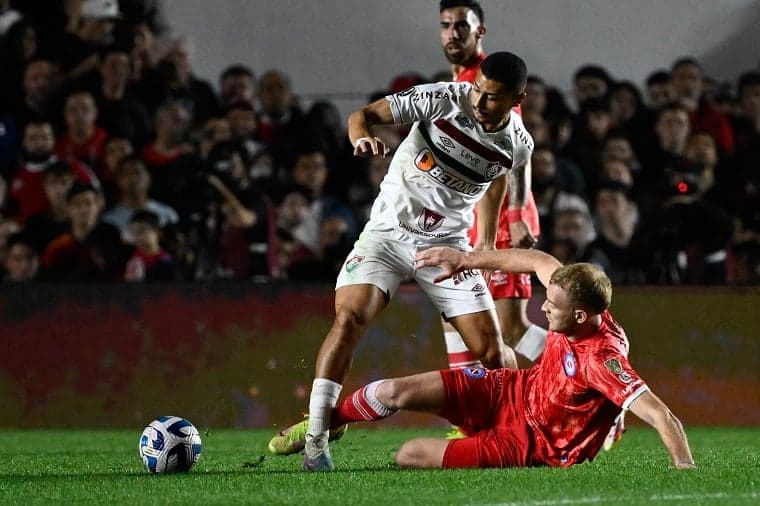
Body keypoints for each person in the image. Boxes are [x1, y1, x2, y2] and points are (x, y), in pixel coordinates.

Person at [271, 51, 533, 471]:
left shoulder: (517, 145)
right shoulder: (443, 99)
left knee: (494, 353)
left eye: (493, 98)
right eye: (479, 93)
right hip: (387, 236)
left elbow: (496, 177)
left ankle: (515, 433)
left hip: (445, 247)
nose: (481, 104)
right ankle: (317, 438)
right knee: (349, 318)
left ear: (518, 98)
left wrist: (483, 243)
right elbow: (365, 114)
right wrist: (360, 137)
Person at [273, 247, 696, 470]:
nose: (544, 309)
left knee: (407, 455)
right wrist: (465, 260)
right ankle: (325, 424)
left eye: (553, 305)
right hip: (511, 390)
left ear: (581, 316)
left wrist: (684, 468)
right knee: (391, 390)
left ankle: (472, 441)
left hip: (530, 443)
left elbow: (662, 416)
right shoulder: (576, 293)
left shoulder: (601, 359)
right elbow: (536, 261)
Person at [438, 0, 545, 373]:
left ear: (479, 31)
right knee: (455, 313)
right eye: (446, 25)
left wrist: (516, 214)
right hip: (472, 214)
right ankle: (468, 419)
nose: (453, 33)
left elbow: (516, 148)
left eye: (462, 26)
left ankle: (592, 382)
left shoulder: (485, 82)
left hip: (497, 217)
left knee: (511, 329)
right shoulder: (461, 80)